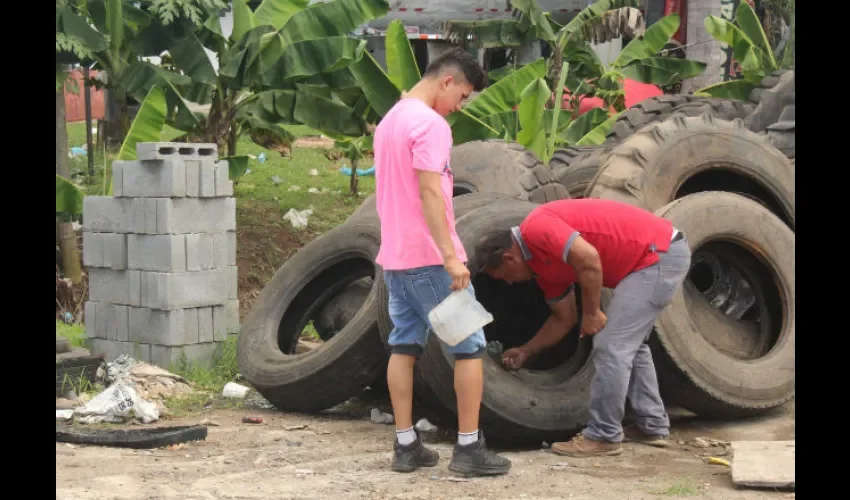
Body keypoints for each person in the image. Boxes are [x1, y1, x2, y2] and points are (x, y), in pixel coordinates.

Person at [373, 47, 512, 476]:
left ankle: (406, 445)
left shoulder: (390, 120)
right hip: (432, 260)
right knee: (469, 348)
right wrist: (451, 258)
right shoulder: (430, 125)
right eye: (464, 95)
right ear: (447, 80)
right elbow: (431, 193)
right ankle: (469, 449)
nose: (461, 105)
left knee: (404, 344)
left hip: (395, 259)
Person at [475, 198, 692, 458]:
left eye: (504, 276)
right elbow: (563, 318)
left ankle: (603, 436)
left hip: (659, 255)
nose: (509, 283)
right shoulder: (542, 268)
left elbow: (588, 258)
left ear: (510, 258)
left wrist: (592, 313)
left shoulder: (536, 227)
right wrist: (526, 350)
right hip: (649, 259)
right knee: (631, 346)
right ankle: (652, 424)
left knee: (611, 346)